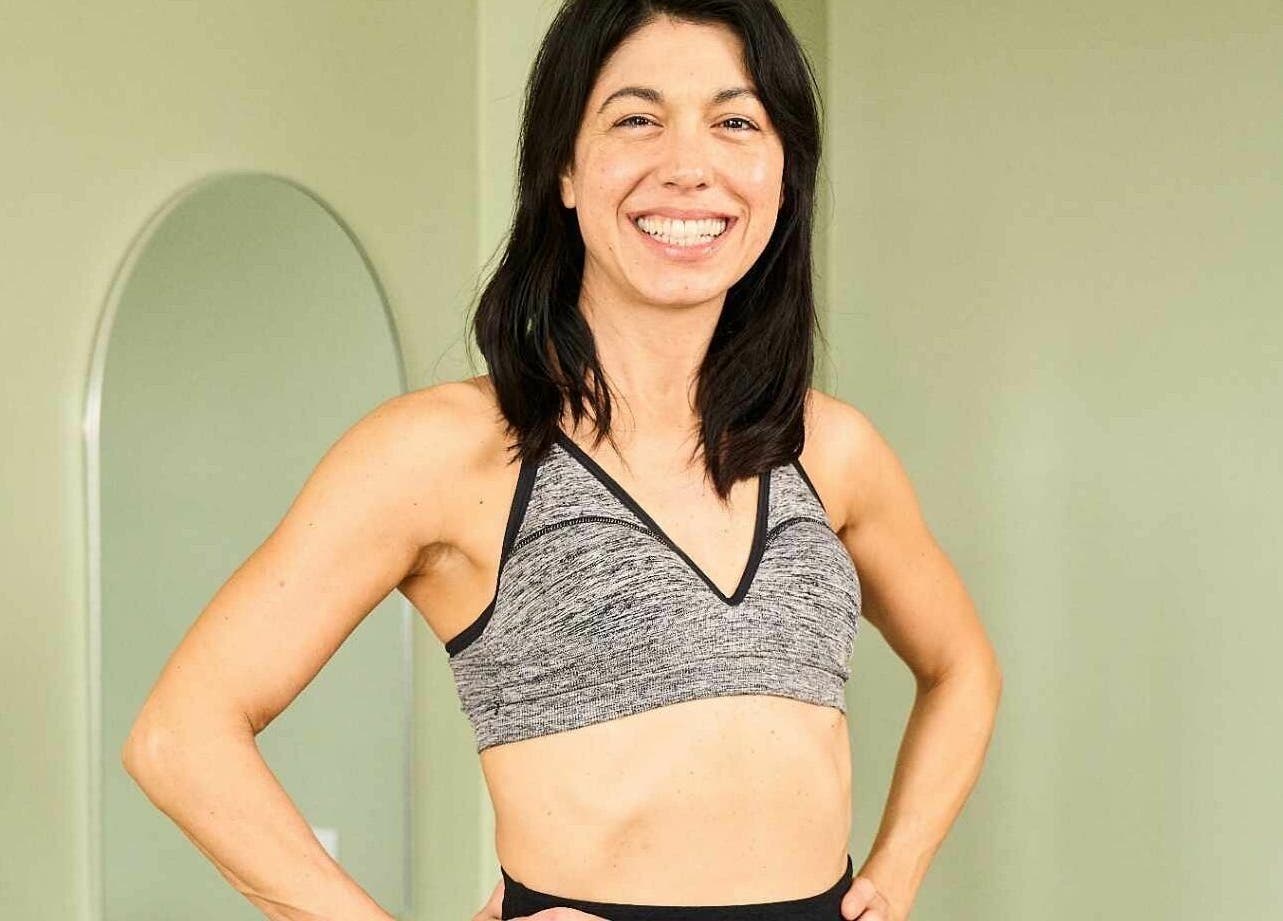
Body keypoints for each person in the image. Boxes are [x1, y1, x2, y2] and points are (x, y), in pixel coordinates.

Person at [123, 1, 1002, 920]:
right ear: (565, 169)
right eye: (636, 118)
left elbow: (961, 665)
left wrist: (897, 870)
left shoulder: (831, 449)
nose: (688, 166)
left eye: (736, 122)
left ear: (784, 176)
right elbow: (180, 736)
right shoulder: (443, 453)